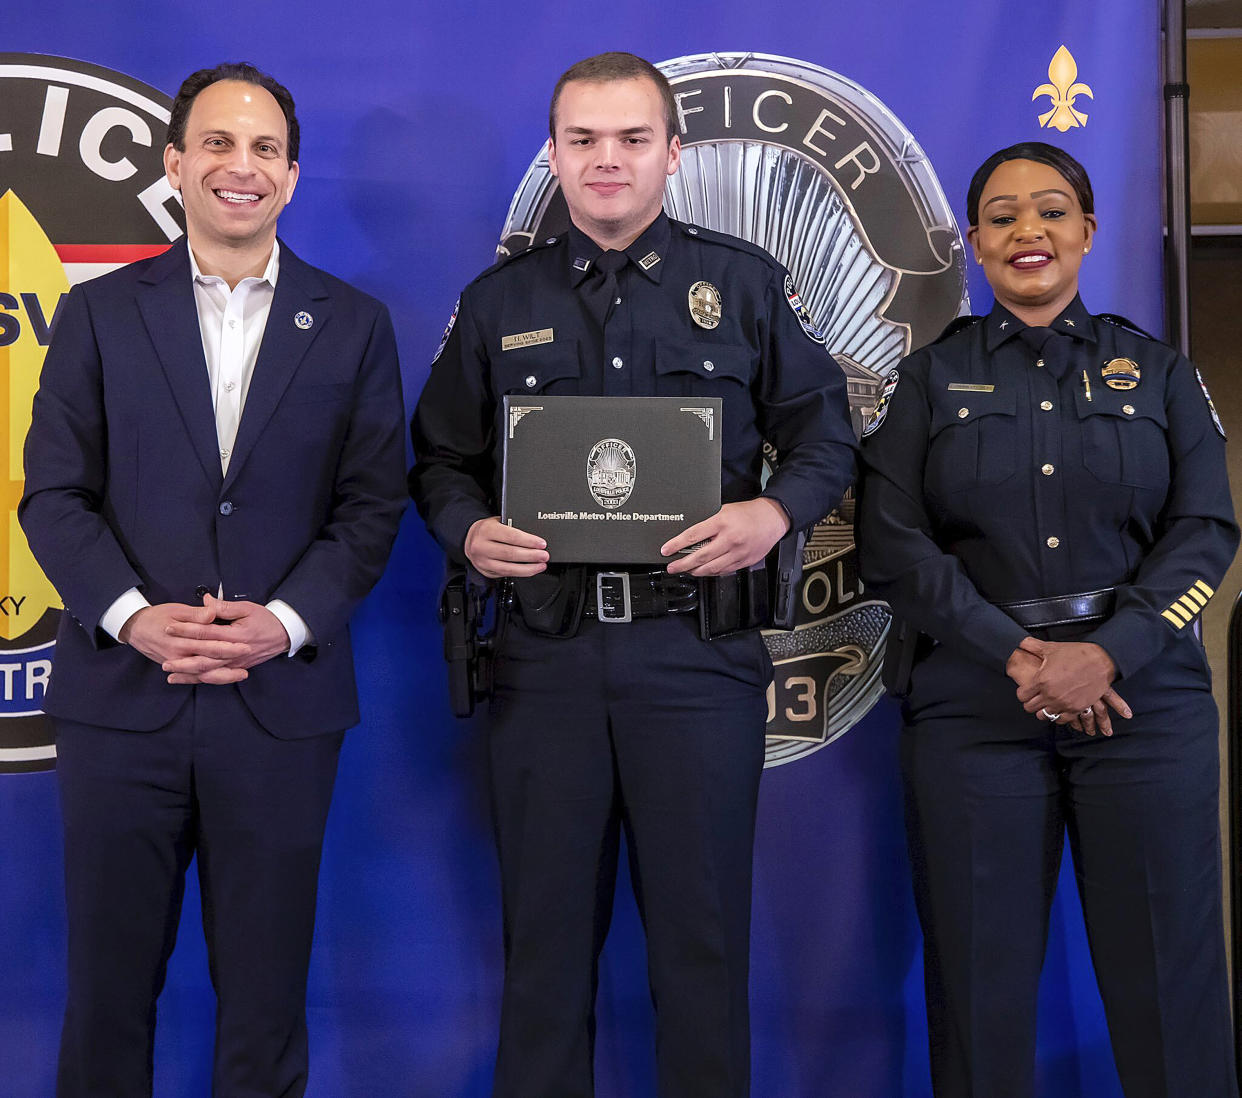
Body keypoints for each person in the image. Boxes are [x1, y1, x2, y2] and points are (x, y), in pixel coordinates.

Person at [410, 51, 855, 1098]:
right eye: (583, 139)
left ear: (673, 153)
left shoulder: (743, 287)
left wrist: (769, 511)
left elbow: (827, 440)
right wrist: (470, 532)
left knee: (702, 957)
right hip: (545, 658)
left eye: (631, 138)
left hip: (694, 657)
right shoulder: (496, 303)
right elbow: (437, 462)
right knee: (544, 963)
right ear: (555, 154)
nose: (607, 160)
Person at [20, 62, 406, 1098]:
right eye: (222, 145)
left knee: (266, 1003)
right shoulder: (98, 315)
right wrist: (135, 617)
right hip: (122, 703)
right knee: (106, 999)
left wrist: (282, 622)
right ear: (176, 163)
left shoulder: (355, 324)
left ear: (291, 174)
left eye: (267, 150)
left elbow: (372, 509)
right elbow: (53, 497)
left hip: (279, 707)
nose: (244, 167)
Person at [858, 141, 1239, 1098]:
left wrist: (1108, 654)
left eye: (1052, 210)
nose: (1029, 230)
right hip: (976, 711)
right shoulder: (930, 382)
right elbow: (892, 546)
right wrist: (1018, 653)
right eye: (1002, 217)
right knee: (980, 995)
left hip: (1142, 707)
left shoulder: (1159, 375)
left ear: (1089, 231)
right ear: (976, 248)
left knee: (1170, 986)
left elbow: (1206, 533)